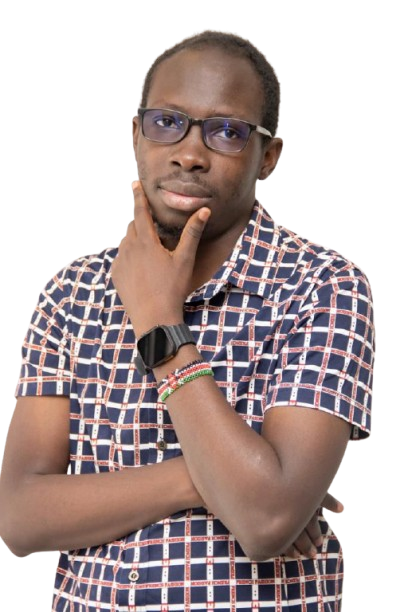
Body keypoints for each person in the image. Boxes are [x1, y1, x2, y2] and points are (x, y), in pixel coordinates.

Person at [0, 28, 375, 611]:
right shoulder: (70, 292)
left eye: (227, 132)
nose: (190, 153)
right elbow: (21, 519)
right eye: (167, 122)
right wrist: (208, 481)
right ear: (136, 134)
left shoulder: (322, 286)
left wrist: (158, 320)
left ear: (268, 157)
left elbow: (264, 521)